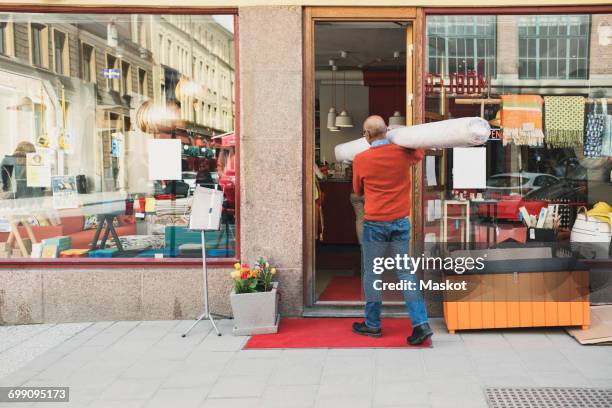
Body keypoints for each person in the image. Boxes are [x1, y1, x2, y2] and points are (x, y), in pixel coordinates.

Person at [351, 115, 432, 345]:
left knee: (373, 274)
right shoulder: (402, 153)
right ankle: (421, 324)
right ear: (386, 130)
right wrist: (399, 131)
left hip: (375, 223)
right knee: (406, 274)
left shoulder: (361, 159)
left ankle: (373, 325)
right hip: (400, 222)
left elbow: (357, 191)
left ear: (367, 135)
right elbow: (420, 151)